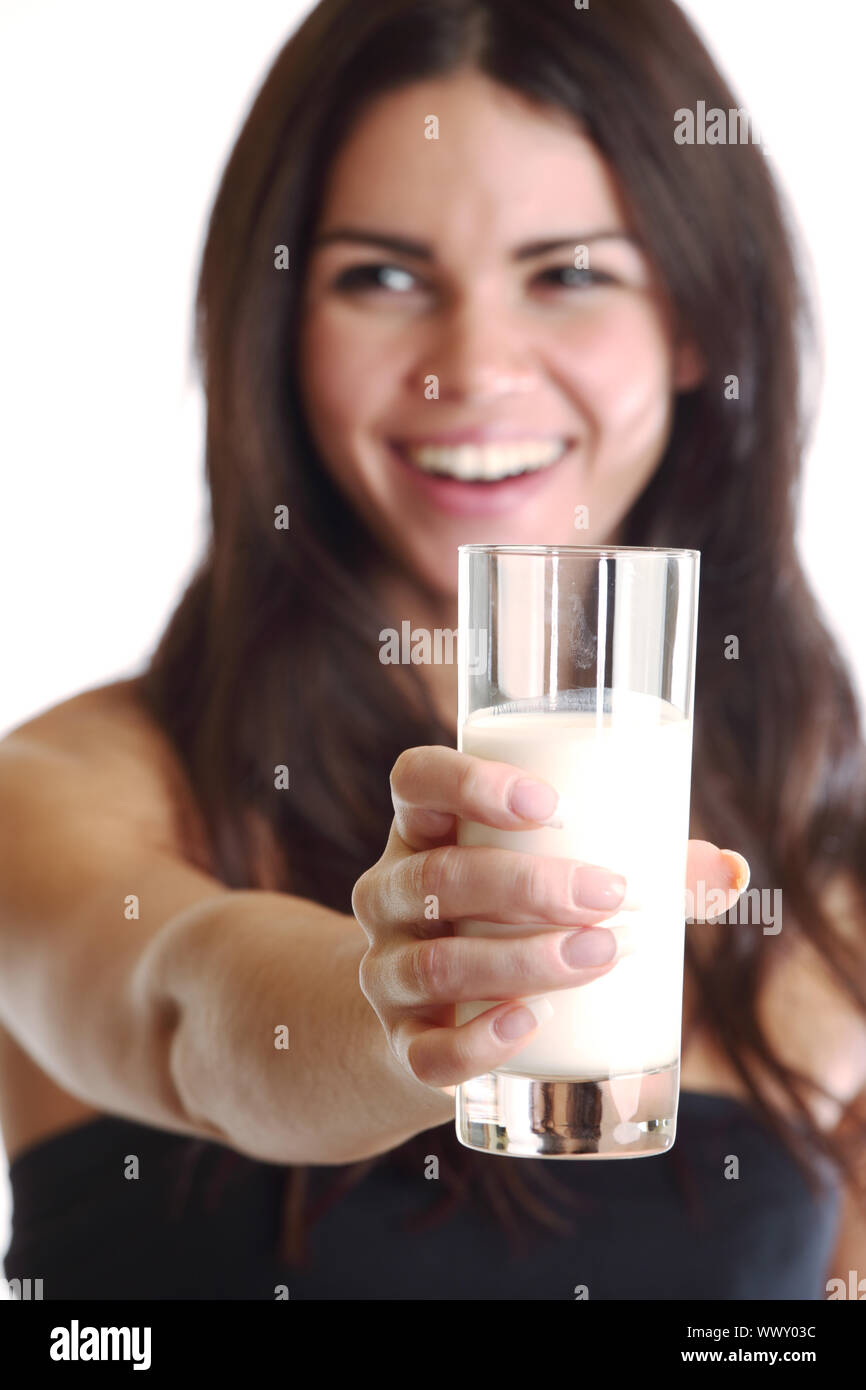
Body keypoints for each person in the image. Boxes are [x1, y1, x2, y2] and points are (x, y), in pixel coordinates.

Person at [2, 0, 865, 1301]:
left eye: (568, 272)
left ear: (694, 322)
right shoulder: (69, 789)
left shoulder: (823, 873)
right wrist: (419, 998)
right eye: (382, 277)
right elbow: (192, 1017)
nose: (472, 367)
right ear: (278, 330)